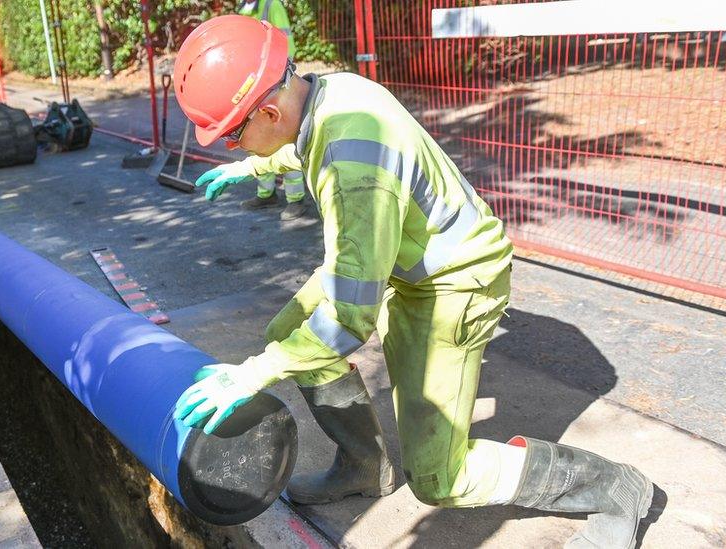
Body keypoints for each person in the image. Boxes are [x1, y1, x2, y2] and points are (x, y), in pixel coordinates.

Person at [172, 15, 653, 549]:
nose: (233, 146)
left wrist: (253, 375)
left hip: (454, 281)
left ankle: (612, 487)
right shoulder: (328, 90)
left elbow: (347, 320)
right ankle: (362, 466)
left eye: (235, 136)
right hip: (402, 255)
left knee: (439, 478)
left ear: (267, 109)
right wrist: (255, 169)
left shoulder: (354, 173)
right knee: (290, 331)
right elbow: (301, 138)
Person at [233, 0, 307, 219]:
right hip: (252, 84)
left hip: (274, 83)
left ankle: (296, 199)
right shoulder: (244, 10)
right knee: (257, 139)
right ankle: (266, 193)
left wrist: (276, 75)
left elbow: (287, 44)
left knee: (283, 138)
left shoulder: (271, 5)